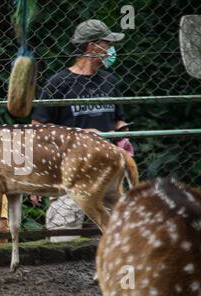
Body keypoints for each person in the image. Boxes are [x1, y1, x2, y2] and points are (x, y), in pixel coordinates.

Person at [30, 20, 133, 242]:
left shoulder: (110, 81)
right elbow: (38, 129)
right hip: (70, 174)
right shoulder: (59, 83)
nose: (110, 50)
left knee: (115, 240)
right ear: (92, 47)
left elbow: (118, 119)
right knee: (62, 242)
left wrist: (123, 136)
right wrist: (80, 135)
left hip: (107, 174)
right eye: (106, 44)